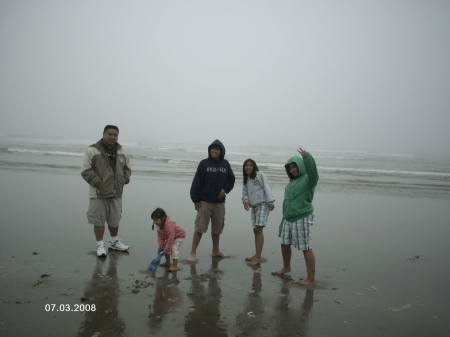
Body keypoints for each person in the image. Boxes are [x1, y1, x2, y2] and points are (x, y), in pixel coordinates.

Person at [81, 125, 131, 257]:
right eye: (110, 134)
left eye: (115, 134)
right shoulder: (92, 150)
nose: (113, 137)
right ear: (103, 134)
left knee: (115, 220)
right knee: (98, 221)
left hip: (116, 193)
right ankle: (100, 245)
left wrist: (124, 180)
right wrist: (99, 183)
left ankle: (114, 242)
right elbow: (86, 171)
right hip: (98, 193)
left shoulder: (122, 151)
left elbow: (127, 169)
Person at [272, 147, 319, 286]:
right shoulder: (291, 183)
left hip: (302, 216)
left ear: (301, 167)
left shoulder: (308, 179)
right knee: (284, 243)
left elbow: (314, 174)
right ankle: (286, 267)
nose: (292, 170)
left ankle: (310, 278)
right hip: (288, 218)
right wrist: (283, 220)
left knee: (305, 247)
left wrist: (307, 157)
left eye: (295, 167)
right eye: (290, 168)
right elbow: (287, 203)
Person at [188, 140, 235, 262]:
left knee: (217, 229)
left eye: (217, 149)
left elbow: (231, 179)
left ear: (221, 151)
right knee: (199, 228)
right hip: (205, 202)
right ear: (209, 150)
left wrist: (225, 190)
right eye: (213, 149)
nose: (214, 151)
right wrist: (195, 199)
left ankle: (215, 251)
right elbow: (196, 182)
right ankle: (193, 253)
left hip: (220, 203)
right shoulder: (204, 163)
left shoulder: (225, 164)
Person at [242, 159, 275, 265]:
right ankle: (256, 254)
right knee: (255, 230)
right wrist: (245, 202)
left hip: (263, 204)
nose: (248, 167)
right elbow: (245, 192)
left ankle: (258, 256)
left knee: (259, 229)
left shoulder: (260, 175)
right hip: (254, 206)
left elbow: (267, 187)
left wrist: (270, 201)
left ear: (254, 167)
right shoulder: (246, 178)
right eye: (246, 165)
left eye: (250, 165)